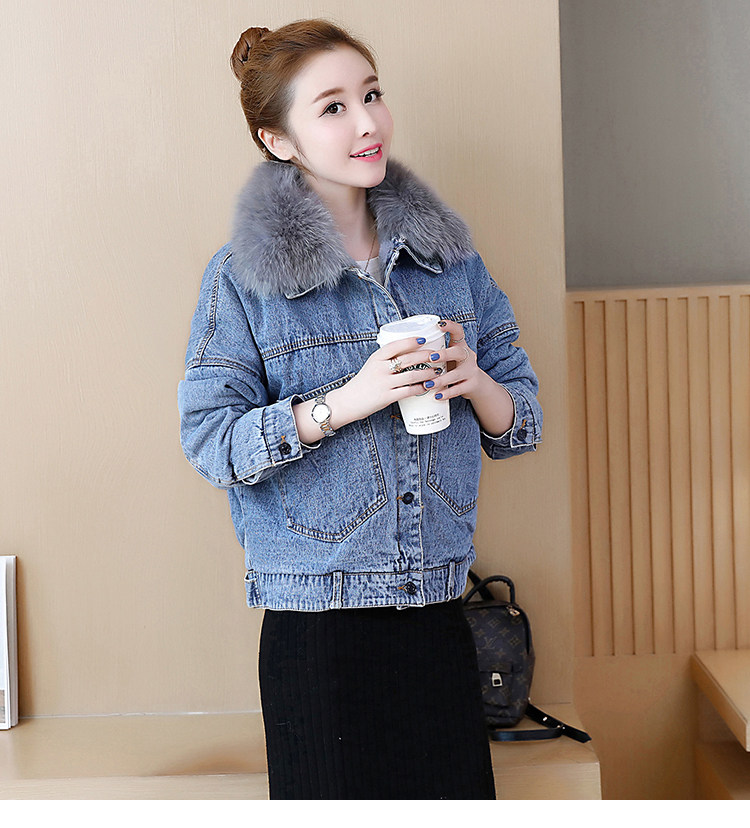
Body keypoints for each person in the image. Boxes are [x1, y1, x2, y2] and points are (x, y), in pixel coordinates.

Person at [178, 19, 542, 800]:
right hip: (318, 636)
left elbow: (523, 423)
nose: (368, 122)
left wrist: (475, 381)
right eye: (334, 107)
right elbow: (211, 443)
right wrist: (348, 402)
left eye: (372, 94)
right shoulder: (241, 280)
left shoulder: (451, 263)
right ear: (279, 140)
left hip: (438, 614)